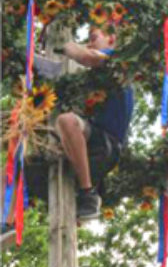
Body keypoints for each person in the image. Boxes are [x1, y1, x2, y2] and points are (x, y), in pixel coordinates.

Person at [37, 28, 132, 222]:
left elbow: (87, 57)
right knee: (14, 166)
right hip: (87, 142)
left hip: (107, 146)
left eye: (93, 38)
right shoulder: (91, 82)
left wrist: (65, 45)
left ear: (112, 39)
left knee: (66, 120)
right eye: (87, 41)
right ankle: (7, 220)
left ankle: (88, 194)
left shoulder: (117, 61)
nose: (89, 44)